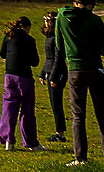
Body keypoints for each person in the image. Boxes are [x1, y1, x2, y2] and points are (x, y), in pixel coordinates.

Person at [54, 0, 104, 166]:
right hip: (95, 69)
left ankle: (81, 158)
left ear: (75, 3)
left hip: (75, 70)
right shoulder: (95, 20)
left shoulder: (62, 17)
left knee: (78, 116)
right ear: (90, 6)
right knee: (102, 116)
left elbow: (59, 46)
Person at [0, 15, 44, 150]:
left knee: (9, 108)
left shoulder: (8, 36)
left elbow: (2, 54)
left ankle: (8, 140)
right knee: (27, 110)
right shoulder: (30, 40)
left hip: (9, 76)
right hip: (24, 77)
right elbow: (35, 62)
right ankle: (31, 142)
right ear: (27, 27)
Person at [39, 9, 68, 142]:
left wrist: (53, 77)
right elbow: (48, 57)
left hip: (57, 73)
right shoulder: (50, 36)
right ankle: (59, 132)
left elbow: (58, 58)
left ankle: (60, 134)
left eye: (47, 18)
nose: (45, 20)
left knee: (57, 104)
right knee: (53, 103)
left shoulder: (58, 37)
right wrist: (42, 73)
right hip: (50, 71)